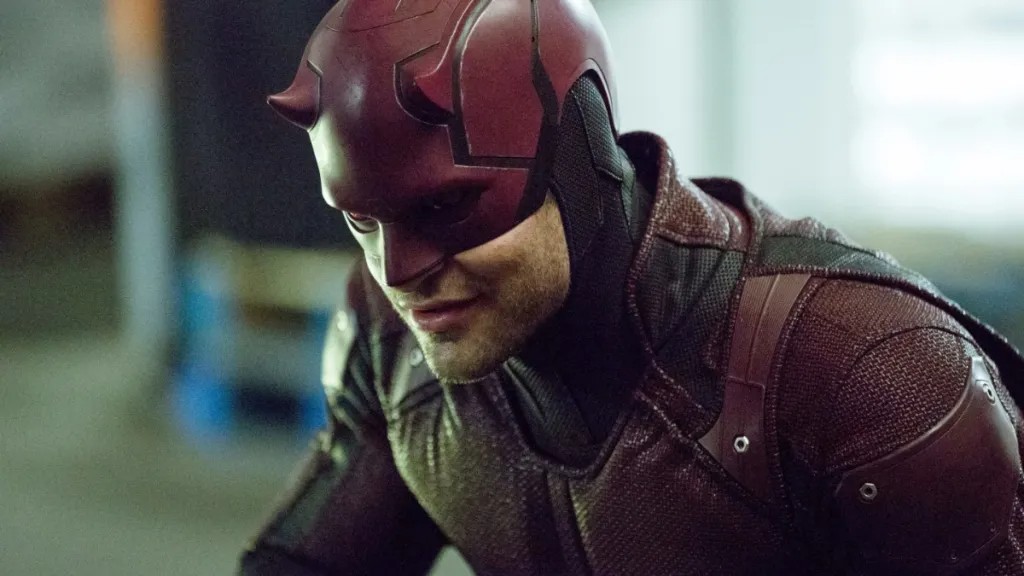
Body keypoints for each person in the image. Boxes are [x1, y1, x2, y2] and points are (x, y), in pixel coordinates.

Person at [239, 1, 1024, 574]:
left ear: (579, 164)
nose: (398, 273)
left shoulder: (865, 368)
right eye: (363, 221)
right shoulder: (391, 339)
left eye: (445, 209)